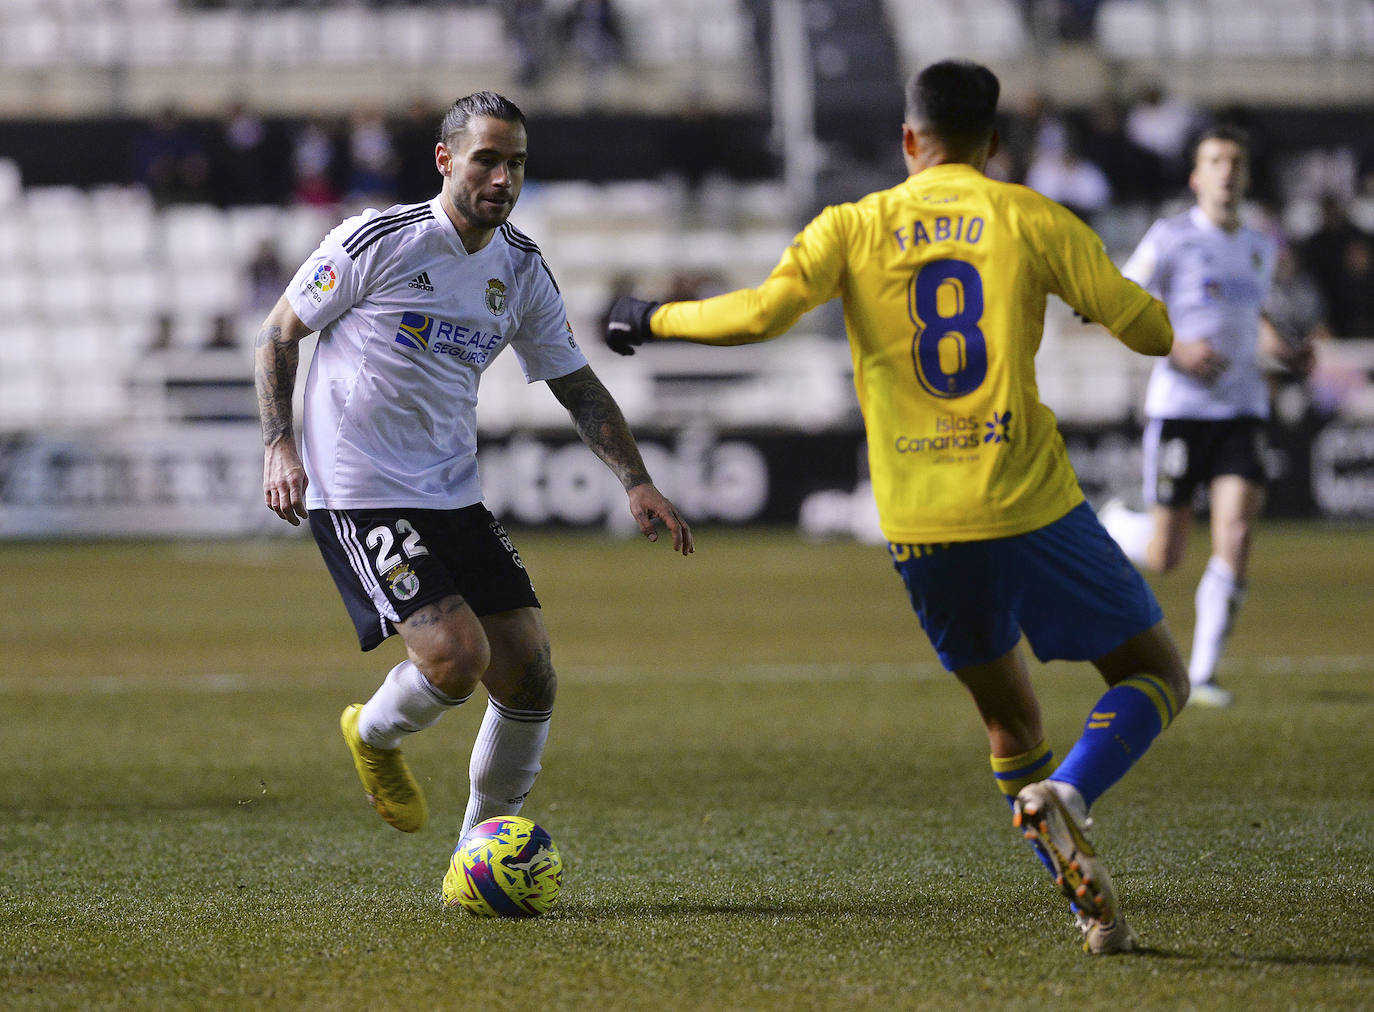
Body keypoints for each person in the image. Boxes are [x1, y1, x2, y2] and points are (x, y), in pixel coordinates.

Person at [605, 59, 1189, 955]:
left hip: (921, 521)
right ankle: (1070, 795)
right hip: (1028, 501)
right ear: (994, 143)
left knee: (1009, 724)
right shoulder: (1029, 215)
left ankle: (1090, 912)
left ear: (910, 140)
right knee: (1156, 676)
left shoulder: (854, 224)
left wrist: (650, 318)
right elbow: (1149, 332)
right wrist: (1122, 301)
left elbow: (758, 315)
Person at [255, 92, 692, 847]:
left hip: (452, 492)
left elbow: (575, 381)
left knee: (529, 677)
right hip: (359, 489)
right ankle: (375, 735)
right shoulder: (377, 240)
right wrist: (277, 443)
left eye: (516, 162)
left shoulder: (520, 268)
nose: (503, 178)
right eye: (487, 159)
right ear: (446, 160)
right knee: (458, 658)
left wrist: (636, 479)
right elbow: (278, 334)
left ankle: (477, 855)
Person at [1099, 126, 1313, 708]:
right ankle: (1118, 524)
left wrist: (1285, 350)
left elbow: (1256, 311)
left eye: (1235, 162)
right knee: (1167, 555)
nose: (1226, 171)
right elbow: (1123, 301)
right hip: (1181, 410)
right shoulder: (1171, 238)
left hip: (1242, 407)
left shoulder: (1260, 245)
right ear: (1197, 177)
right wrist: (1178, 348)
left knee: (1238, 531)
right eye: (1215, 161)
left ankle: (1204, 674)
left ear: (1244, 176)